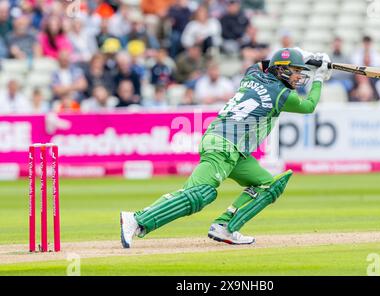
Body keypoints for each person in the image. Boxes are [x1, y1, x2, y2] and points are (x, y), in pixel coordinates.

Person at [120, 47, 332, 247]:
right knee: (200, 194)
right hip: (223, 145)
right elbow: (309, 106)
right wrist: (319, 78)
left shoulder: (252, 74)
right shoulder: (282, 94)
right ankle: (138, 219)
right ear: (281, 70)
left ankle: (225, 227)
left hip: (233, 149)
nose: (298, 77)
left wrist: (302, 56)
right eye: (295, 71)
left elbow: (263, 64)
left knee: (268, 185)